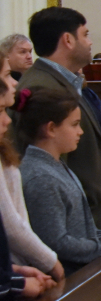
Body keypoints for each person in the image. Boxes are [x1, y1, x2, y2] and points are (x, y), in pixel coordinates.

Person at [17, 88, 101, 275]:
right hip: (66, 278)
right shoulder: (41, 176)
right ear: (51, 128)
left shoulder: (55, 164)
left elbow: (82, 230)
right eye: (75, 124)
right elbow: (57, 244)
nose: (81, 131)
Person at [12, 7, 101, 229]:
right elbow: (46, 163)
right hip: (68, 225)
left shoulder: (63, 82)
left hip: (83, 220)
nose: (90, 42)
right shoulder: (42, 86)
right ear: (68, 39)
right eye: (85, 34)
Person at [0, 49, 64, 281]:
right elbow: (10, 224)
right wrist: (50, 262)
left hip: (14, 265)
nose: (14, 83)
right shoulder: (38, 172)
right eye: (8, 75)